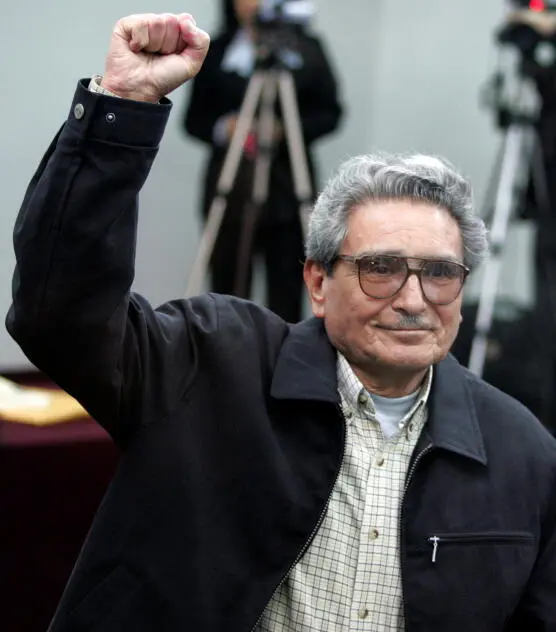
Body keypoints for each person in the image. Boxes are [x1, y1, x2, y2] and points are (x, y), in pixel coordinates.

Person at [6, 12, 556, 632]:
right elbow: (60, 313)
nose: (412, 298)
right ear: (317, 282)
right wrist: (124, 108)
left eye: (440, 273)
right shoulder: (209, 367)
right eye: (380, 268)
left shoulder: (522, 452)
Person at [183, 0, 342, 322]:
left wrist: (287, 129)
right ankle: (224, 351)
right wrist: (225, 128)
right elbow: (193, 119)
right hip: (232, 184)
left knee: (288, 281)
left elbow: (330, 112)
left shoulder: (307, 48)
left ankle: (284, 357)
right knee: (226, 281)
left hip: (287, 185)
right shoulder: (218, 48)